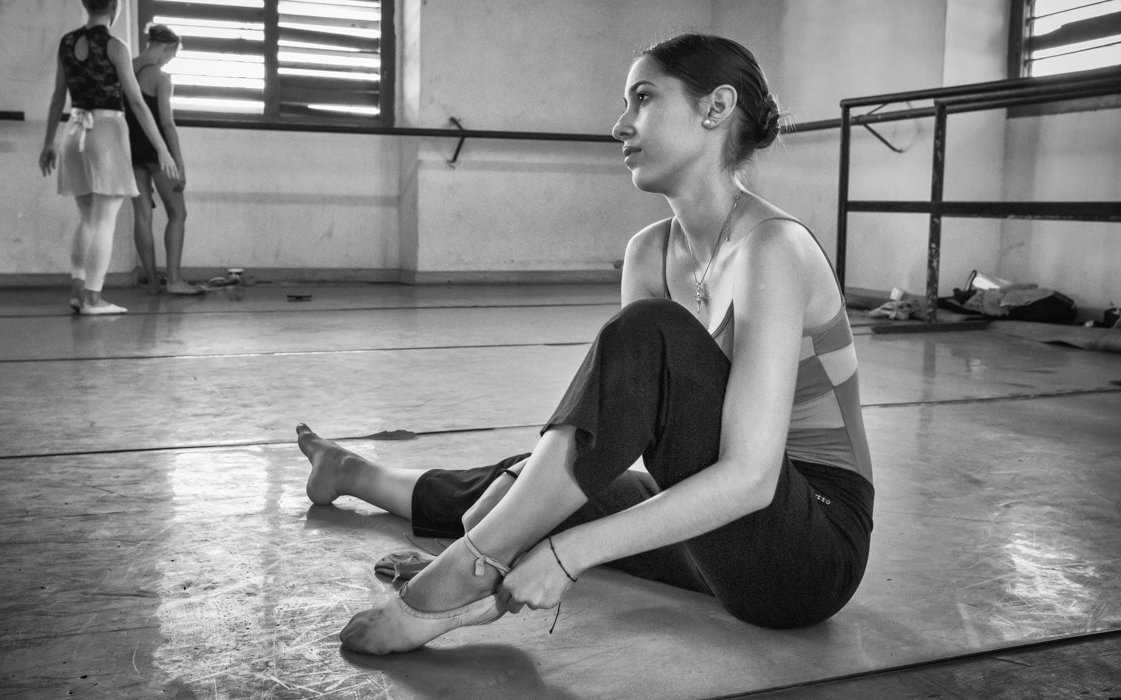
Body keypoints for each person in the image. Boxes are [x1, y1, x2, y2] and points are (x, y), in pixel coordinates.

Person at [297, 33, 874, 655]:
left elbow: (751, 481)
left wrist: (565, 555)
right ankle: (358, 474)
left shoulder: (774, 247)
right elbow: (621, 432)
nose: (621, 124)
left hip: (803, 546)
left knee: (637, 350)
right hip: (714, 541)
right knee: (528, 483)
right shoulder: (650, 252)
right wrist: (529, 517)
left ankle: (468, 570)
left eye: (643, 98)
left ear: (715, 108)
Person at [39, 0, 179, 315]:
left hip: (73, 131)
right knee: (105, 219)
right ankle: (93, 298)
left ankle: (77, 289)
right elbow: (136, 102)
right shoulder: (116, 46)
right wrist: (162, 147)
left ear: (85, 3)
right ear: (114, 5)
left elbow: (59, 96)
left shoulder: (67, 43)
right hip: (105, 131)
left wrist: (48, 143)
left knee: (86, 217)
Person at [126, 23, 201, 296]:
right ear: (167, 48)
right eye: (172, 55)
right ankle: (173, 280)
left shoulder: (126, 69)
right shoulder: (161, 78)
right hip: (158, 152)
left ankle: (154, 283)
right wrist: (178, 162)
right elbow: (166, 124)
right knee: (178, 214)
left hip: (130, 151)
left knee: (142, 215)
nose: (170, 60)